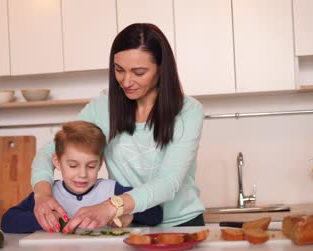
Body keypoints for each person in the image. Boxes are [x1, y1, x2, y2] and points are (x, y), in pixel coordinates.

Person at [31, 23, 205, 233]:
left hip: (182, 226)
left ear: (161, 68)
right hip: (129, 225)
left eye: (139, 72)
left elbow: (168, 182)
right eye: (119, 70)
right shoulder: (101, 108)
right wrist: (42, 195)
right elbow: (50, 151)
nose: (126, 81)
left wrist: (110, 207)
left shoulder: (188, 111)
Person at [1, 121, 163, 233]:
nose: (83, 174)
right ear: (57, 162)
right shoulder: (50, 195)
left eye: (91, 166)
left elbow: (156, 213)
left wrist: (129, 215)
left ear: (101, 163)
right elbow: (7, 221)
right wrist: (45, 220)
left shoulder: (112, 190)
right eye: (73, 165)